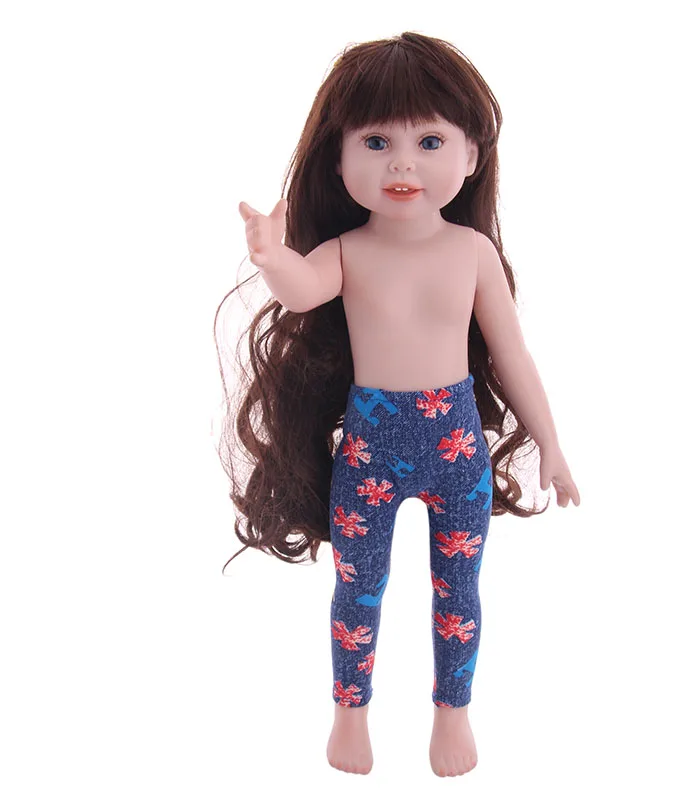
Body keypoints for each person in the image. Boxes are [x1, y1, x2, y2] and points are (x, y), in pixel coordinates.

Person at [215, 31, 580, 778]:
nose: (402, 164)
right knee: (358, 587)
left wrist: (551, 441)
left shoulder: (471, 252)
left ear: (471, 154)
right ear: (339, 158)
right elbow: (302, 291)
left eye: (429, 141)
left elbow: (511, 355)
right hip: (370, 449)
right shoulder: (350, 251)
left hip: (457, 448)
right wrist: (273, 256)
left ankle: (453, 714)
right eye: (377, 142)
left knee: (459, 588)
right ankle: (349, 716)